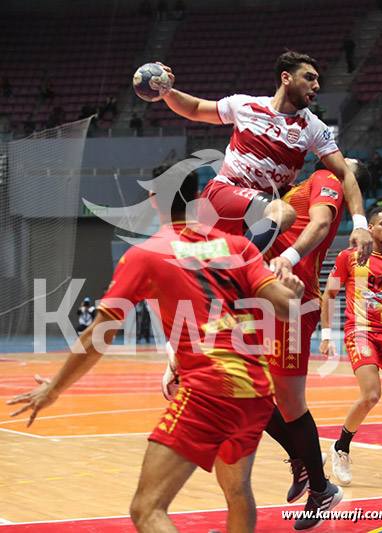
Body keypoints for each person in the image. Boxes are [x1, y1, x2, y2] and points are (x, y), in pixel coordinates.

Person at [7, 165, 305, 533]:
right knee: (237, 489)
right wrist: (292, 286)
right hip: (257, 391)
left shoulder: (146, 255)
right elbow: (288, 307)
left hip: (210, 388)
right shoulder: (237, 246)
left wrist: (53, 389)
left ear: (153, 200)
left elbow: (98, 336)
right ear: (198, 199)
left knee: (147, 510)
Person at [157, 50, 372, 264]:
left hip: (258, 213)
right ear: (286, 78)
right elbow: (195, 109)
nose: (316, 86)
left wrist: (361, 225)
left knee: (208, 261)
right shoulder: (245, 105)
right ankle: (238, 270)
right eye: (309, 78)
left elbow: (345, 174)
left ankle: (202, 259)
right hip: (224, 193)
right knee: (284, 213)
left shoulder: (314, 127)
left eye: (317, 80)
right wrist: (167, 92)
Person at [260, 158, 370, 530]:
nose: (341, 156)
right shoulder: (298, 186)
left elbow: (321, 224)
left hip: (289, 299)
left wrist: (287, 258)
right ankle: (309, 470)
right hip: (266, 295)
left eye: (348, 162)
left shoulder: (329, 177)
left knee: (288, 402)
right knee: (248, 391)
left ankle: (318, 485)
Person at [319, 206, 382, 486]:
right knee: (372, 396)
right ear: (370, 228)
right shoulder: (348, 257)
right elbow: (329, 293)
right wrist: (327, 334)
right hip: (362, 333)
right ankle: (341, 448)